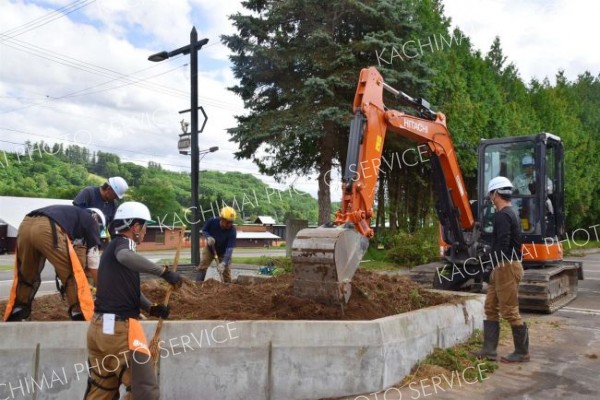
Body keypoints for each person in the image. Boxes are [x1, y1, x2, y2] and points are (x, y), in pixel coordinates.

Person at [84, 201, 182, 400]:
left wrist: (151, 308)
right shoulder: (124, 245)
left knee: (102, 389)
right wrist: (163, 272)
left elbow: (126, 291)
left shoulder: (110, 250)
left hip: (99, 330)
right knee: (144, 390)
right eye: (144, 226)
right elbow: (125, 256)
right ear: (135, 227)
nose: (145, 232)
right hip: (119, 333)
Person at [3, 205, 105, 322]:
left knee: (26, 274)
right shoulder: (91, 220)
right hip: (47, 227)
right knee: (72, 275)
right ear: (97, 219)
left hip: (25, 225)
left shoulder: (71, 215)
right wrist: (101, 286)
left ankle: (18, 310)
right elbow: (93, 262)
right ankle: (81, 313)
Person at [473, 176, 530, 363]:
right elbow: (500, 243)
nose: (490, 197)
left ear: (495, 194)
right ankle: (489, 350)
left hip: (506, 266)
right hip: (502, 265)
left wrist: (489, 265)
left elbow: (503, 246)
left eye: (491, 194)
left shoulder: (503, 215)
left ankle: (522, 352)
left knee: (510, 311)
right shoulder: (509, 213)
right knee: (490, 306)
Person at [196, 206, 237, 283]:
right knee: (202, 266)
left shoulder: (232, 231)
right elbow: (204, 230)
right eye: (228, 222)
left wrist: (224, 263)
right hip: (210, 249)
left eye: (231, 222)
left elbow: (229, 249)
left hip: (223, 253)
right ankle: (197, 285)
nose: (229, 224)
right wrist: (208, 237)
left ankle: (228, 289)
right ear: (222, 219)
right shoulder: (212, 221)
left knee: (226, 272)